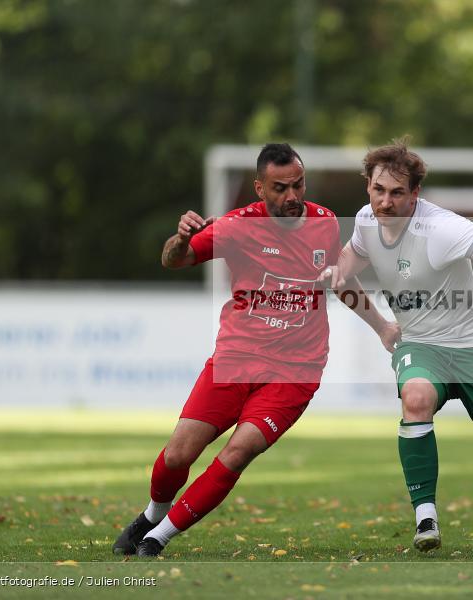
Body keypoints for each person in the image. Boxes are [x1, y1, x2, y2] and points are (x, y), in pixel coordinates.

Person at [113, 143, 398, 558]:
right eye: (280, 188)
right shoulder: (235, 226)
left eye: (298, 184)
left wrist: (382, 327)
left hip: (295, 371)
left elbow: (340, 283)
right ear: (259, 188)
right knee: (178, 454)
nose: (292, 196)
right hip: (235, 360)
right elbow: (174, 260)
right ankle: (152, 514)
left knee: (240, 449)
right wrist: (180, 239)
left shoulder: (323, 224)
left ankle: (158, 538)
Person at [323, 139, 473, 554]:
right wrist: (380, 325)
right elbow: (341, 276)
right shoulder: (365, 222)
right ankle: (426, 516)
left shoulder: (440, 230)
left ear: (415, 194)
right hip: (421, 345)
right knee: (415, 396)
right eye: (379, 190)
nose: (386, 201)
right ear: (368, 188)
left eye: (397, 192)